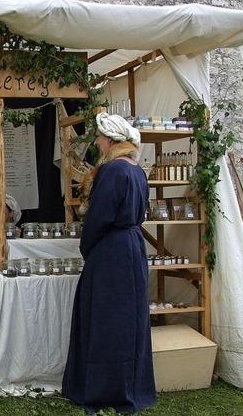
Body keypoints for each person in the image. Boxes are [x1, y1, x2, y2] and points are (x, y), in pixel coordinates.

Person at [62, 113, 156, 413]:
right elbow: (141, 214)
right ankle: (128, 385)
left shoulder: (113, 171)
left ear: (111, 140)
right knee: (129, 319)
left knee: (105, 318)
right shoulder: (137, 171)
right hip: (132, 247)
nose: (97, 142)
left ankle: (105, 389)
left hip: (112, 251)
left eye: (100, 137)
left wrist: (87, 246)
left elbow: (99, 217)